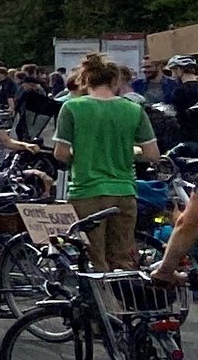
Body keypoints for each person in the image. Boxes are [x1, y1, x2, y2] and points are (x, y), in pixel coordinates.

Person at [56, 52, 161, 271]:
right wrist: (125, 150)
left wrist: (86, 154)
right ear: (116, 81)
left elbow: (61, 153)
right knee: (122, 258)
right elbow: (152, 154)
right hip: (124, 191)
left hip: (86, 191)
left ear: (85, 80)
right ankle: (122, 303)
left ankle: (101, 304)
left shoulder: (72, 108)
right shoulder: (133, 109)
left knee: (95, 260)